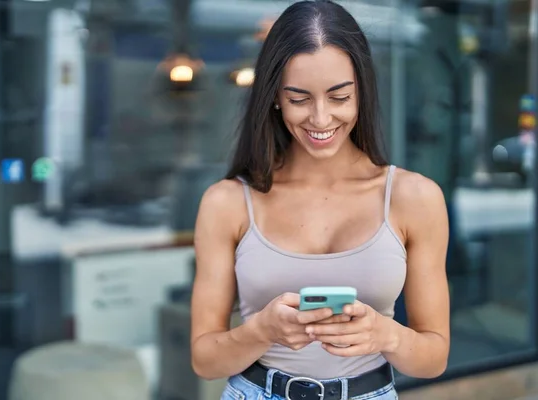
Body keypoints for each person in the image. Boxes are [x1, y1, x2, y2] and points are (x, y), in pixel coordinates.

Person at [190, 1, 450, 399]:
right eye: (299, 99)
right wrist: (263, 330)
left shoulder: (415, 198)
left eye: (339, 97)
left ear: (362, 91)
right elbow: (205, 361)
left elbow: (433, 359)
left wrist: (385, 334)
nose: (321, 118)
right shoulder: (226, 203)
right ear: (274, 97)